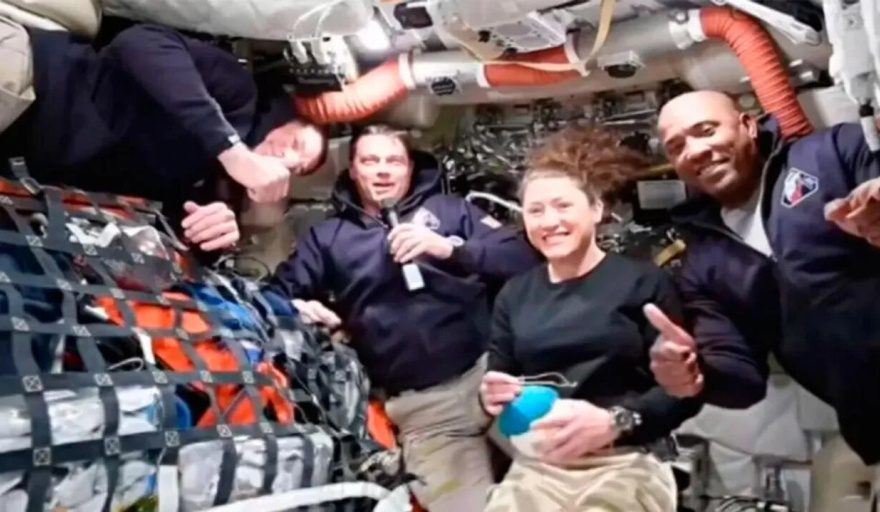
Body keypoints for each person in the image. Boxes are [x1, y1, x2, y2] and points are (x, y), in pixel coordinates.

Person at [266, 124, 541, 512]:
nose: (383, 170)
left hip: (493, 375)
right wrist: (297, 308)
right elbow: (273, 296)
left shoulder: (450, 211)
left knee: (578, 476)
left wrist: (450, 249)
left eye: (394, 160)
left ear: (410, 168)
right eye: (370, 160)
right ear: (353, 170)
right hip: (426, 413)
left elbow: (524, 262)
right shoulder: (327, 238)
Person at [650, 90, 880, 492]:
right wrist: (692, 377)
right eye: (677, 147)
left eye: (706, 130)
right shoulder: (699, 263)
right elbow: (743, 381)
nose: (695, 151)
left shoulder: (831, 152)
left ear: (748, 125)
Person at [479, 126, 702, 512]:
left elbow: (681, 396)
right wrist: (491, 396)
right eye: (535, 210)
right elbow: (500, 380)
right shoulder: (514, 295)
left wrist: (615, 421)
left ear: (596, 209)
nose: (549, 221)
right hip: (540, 464)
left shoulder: (643, 283)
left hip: (625, 458)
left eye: (563, 206)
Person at [0, 20, 328, 250]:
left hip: (22, 159)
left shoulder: (209, 184)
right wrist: (231, 149)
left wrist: (209, 235)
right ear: (283, 120)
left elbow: (161, 221)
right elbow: (140, 43)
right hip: (37, 83)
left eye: (298, 168)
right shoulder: (239, 94)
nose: (287, 159)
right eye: (296, 144)